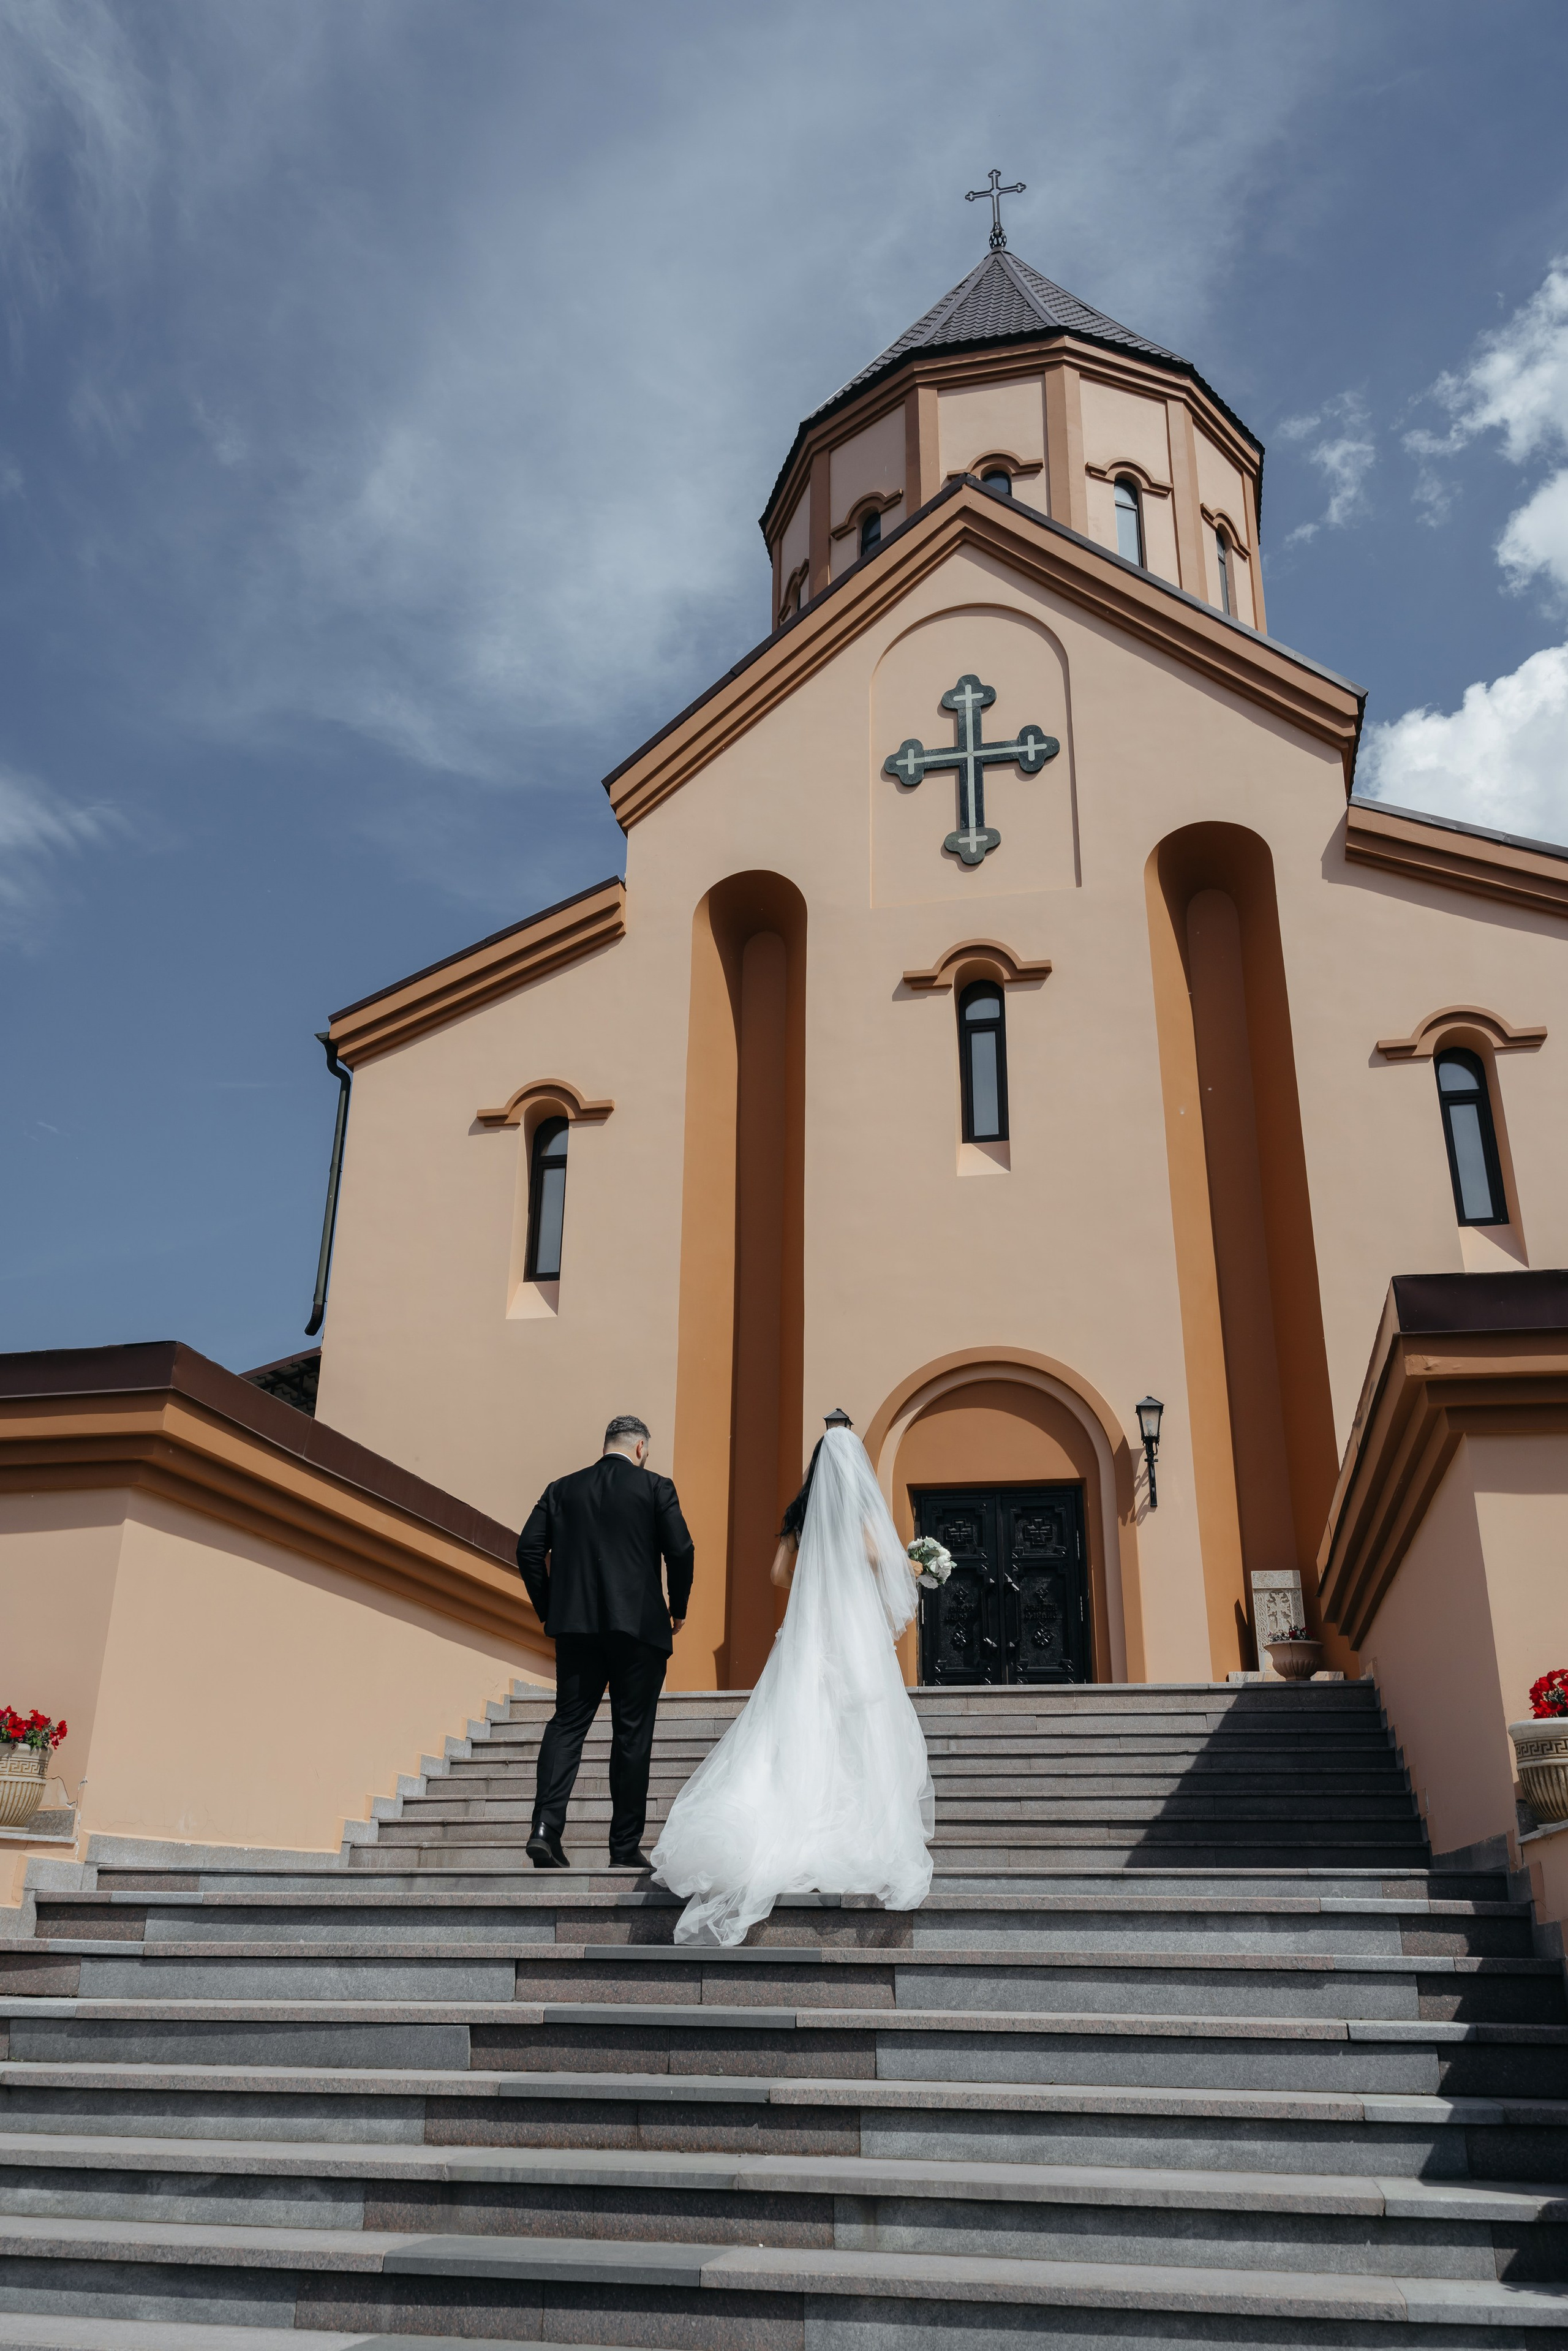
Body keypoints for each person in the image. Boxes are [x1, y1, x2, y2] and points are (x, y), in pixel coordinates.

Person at [650, 1417, 933, 1946]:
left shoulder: (800, 1514)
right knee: (859, 1727)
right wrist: (914, 1565)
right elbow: (882, 1563)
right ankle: (850, 1831)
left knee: (797, 1720)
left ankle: (779, 1823)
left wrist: (813, 1565)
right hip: (854, 1638)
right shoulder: (861, 1516)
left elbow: (779, 1576)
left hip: (809, 1634)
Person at [516, 1414, 695, 1870]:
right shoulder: (656, 1487)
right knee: (632, 1735)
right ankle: (623, 1848)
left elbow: (528, 1549)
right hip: (640, 1631)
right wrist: (679, 1607)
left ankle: (544, 1830)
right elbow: (681, 1550)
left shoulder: (561, 1489)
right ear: (639, 1449)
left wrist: (550, 1608)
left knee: (568, 1725)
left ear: (606, 1445)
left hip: (576, 1629)